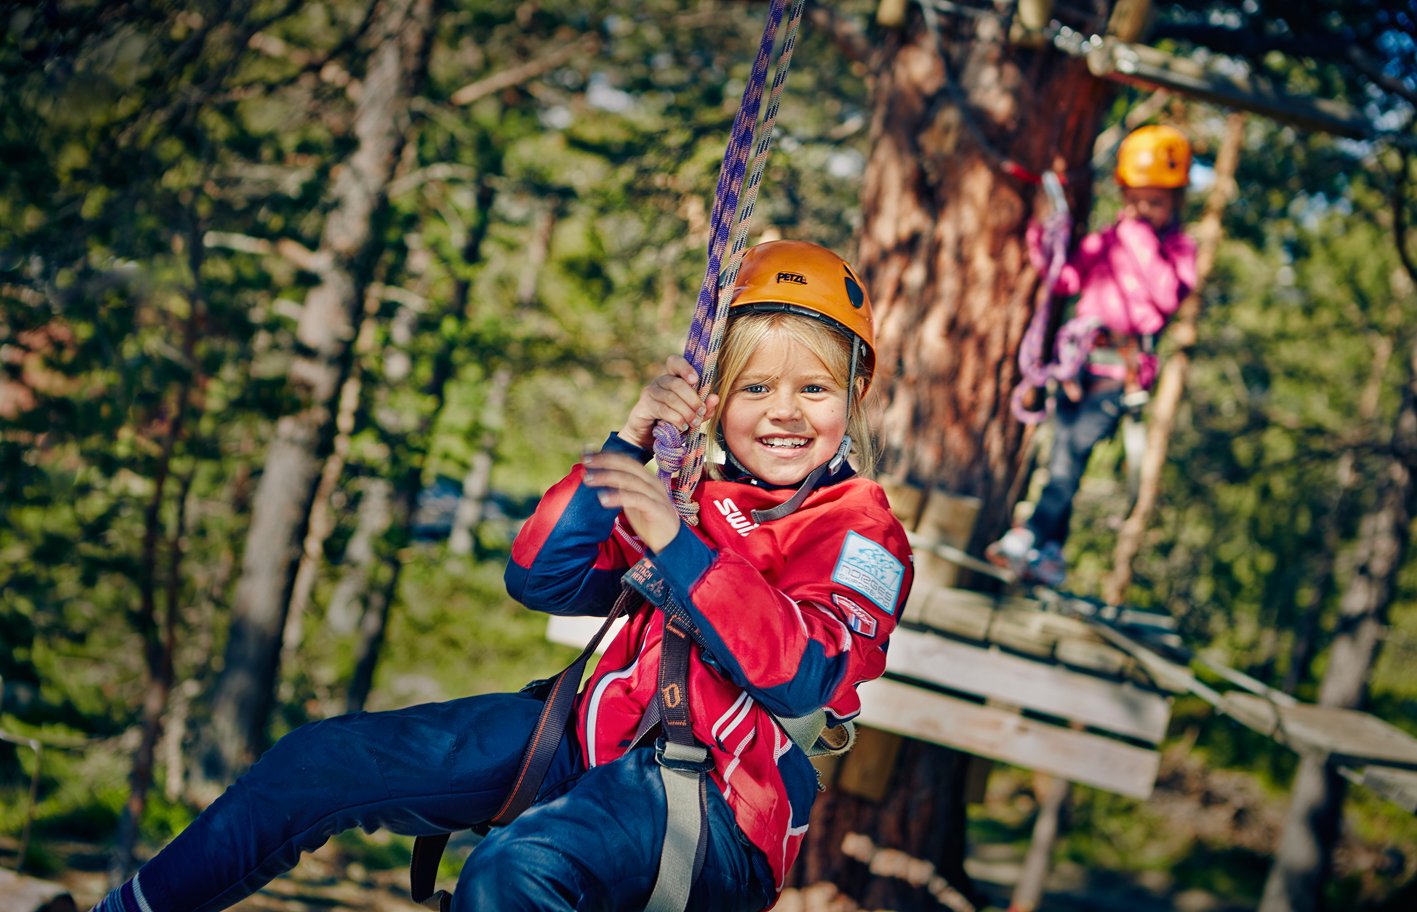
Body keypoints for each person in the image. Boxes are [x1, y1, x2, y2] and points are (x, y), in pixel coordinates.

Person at [92, 239, 912, 912]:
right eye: (756, 387)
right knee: (320, 761)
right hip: (583, 744)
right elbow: (542, 573)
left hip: (716, 810)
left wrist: (680, 546)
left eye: (812, 389)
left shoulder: (859, 531)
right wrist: (629, 442)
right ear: (714, 396)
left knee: (515, 875)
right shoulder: (687, 493)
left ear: (856, 391)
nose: (784, 412)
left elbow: (806, 672)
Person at [988, 125, 1198, 588]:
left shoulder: (1178, 249)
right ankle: (1053, 553)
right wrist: (1045, 241)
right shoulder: (1107, 240)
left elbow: (1167, 297)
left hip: (1119, 371)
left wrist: (1138, 239)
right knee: (1064, 455)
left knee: (1072, 453)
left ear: (1177, 203)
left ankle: (1030, 536)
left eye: (1156, 202)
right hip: (1077, 364)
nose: (1144, 211)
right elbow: (1066, 280)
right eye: (1137, 200)